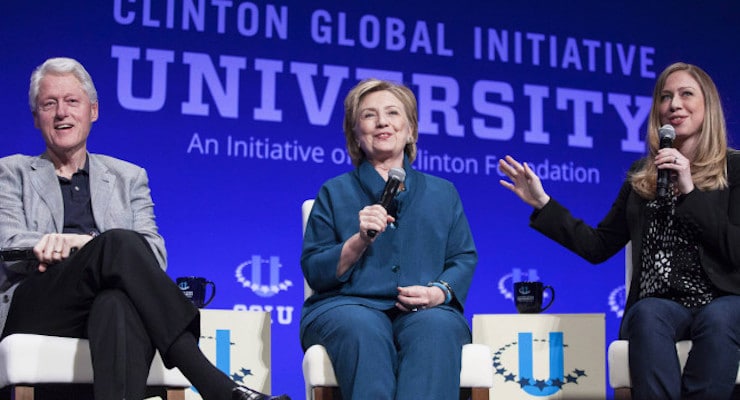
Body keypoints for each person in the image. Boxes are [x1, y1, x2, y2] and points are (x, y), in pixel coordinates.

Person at [0, 57, 290, 400]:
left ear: (93, 111)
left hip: (101, 303)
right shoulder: (12, 171)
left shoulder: (128, 177)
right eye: (50, 104)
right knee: (118, 243)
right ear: (37, 117)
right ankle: (217, 386)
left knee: (116, 303)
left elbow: (153, 254)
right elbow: (9, 242)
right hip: (41, 302)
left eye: (72, 101)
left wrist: (92, 246)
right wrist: (86, 246)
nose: (62, 112)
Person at [499, 62, 740, 400]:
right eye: (666, 96)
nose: (674, 104)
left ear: (708, 106)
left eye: (686, 94)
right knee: (647, 312)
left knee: (722, 317)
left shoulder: (734, 169)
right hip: (662, 305)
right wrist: (543, 204)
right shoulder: (643, 175)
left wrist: (690, 194)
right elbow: (598, 246)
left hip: (720, 300)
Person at [300, 78, 478, 399]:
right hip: (346, 306)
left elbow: (462, 257)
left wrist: (439, 293)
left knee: (438, 328)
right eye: (369, 115)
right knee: (362, 328)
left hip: (425, 311)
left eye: (393, 113)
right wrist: (358, 241)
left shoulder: (443, 193)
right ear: (355, 134)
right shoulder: (334, 191)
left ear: (410, 130)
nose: (382, 121)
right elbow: (315, 269)